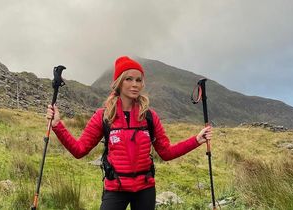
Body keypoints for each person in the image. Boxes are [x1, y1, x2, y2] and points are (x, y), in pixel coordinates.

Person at [46, 56, 212, 210]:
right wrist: (57, 125)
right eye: (129, 79)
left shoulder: (149, 116)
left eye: (139, 80)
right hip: (115, 188)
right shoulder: (103, 116)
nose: (135, 84)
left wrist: (196, 140)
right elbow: (79, 150)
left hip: (145, 189)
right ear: (119, 82)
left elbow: (166, 152)